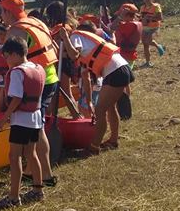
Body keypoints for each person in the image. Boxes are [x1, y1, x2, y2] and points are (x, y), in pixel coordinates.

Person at [0, 0, 59, 187]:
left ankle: (45, 175)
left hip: (32, 82)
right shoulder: (36, 21)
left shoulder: (15, 30)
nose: (1, 16)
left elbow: (12, 60)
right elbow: (55, 48)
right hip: (48, 76)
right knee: (38, 126)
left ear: (8, 12)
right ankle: (33, 171)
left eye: (2, 12)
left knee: (37, 129)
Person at [56, 21, 134, 154]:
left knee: (100, 110)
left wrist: (65, 37)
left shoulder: (75, 35)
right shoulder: (88, 44)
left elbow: (73, 54)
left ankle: (93, 147)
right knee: (110, 107)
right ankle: (113, 140)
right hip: (120, 68)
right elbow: (85, 74)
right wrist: (89, 100)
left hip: (115, 72)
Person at [0, 38, 46, 210]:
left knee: (15, 157)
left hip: (21, 119)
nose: (6, 60)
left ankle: (13, 197)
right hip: (35, 117)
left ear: (15, 54)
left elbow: (16, 98)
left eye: (7, 56)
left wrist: (4, 118)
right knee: (31, 154)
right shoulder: (38, 68)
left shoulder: (17, 72)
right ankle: (38, 190)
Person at [140, 0, 165, 67]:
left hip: (154, 27)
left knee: (148, 41)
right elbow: (141, 17)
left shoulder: (156, 6)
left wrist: (149, 18)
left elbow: (160, 18)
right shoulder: (142, 7)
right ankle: (148, 62)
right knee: (145, 44)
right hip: (145, 27)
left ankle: (158, 46)